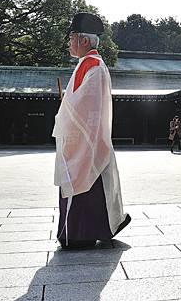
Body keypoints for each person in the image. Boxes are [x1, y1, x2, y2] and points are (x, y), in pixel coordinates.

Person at [52, 12, 131, 249]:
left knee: (87, 185)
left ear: (84, 41)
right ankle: (79, 232)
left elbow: (88, 107)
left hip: (88, 141)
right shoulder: (86, 65)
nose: (69, 42)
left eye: (71, 37)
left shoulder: (94, 67)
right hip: (81, 139)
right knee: (84, 187)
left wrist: (66, 112)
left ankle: (80, 234)